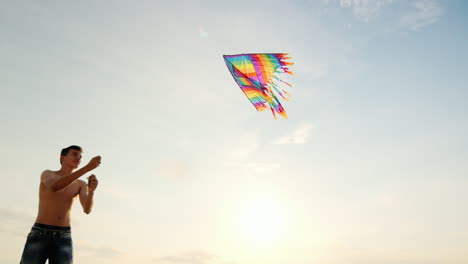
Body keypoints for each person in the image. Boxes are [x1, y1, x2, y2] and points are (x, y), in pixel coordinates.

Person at [20, 145, 101, 264]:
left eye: (80, 157)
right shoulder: (48, 174)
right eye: (74, 154)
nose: (78, 158)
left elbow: (87, 209)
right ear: (62, 157)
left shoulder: (81, 184)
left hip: (64, 236)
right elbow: (55, 186)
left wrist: (92, 192)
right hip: (40, 233)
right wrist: (87, 168)